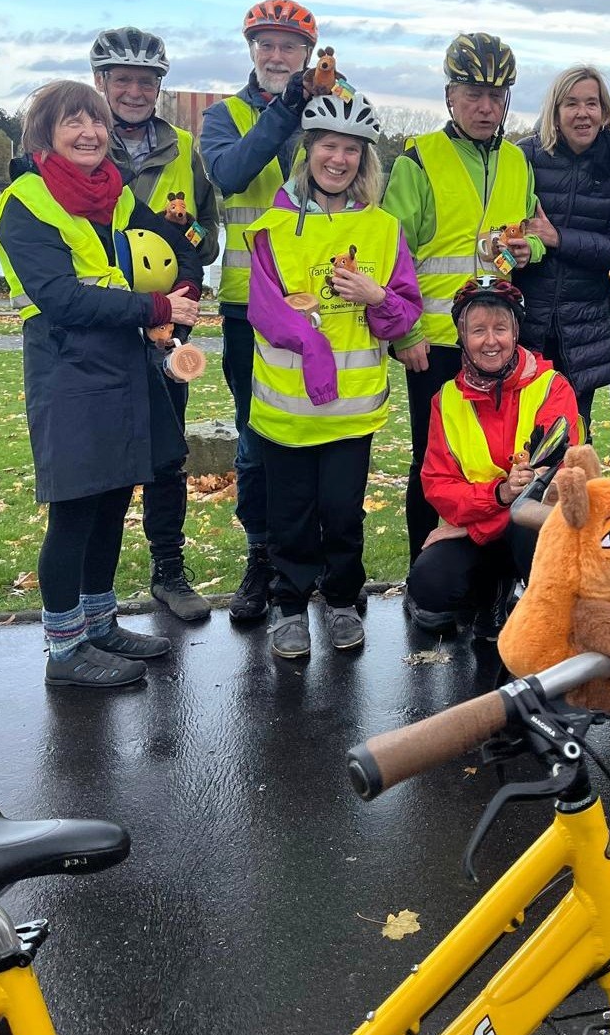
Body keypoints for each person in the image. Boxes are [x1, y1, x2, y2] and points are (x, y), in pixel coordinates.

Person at [0, 81, 202, 687]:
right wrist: (155, 309)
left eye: (97, 122)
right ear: (44, 133)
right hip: (68, 367)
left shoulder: (116, 193)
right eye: (73, 122)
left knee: (112, 497)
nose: (89, 133)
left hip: (126, 365)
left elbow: (175, 243)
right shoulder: (25, 202)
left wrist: (185, 281)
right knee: (75, 508)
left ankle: (99, 623)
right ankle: (64, 647)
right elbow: (59, 297)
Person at [243, 93, 423, 659]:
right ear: (309, 151)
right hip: (287, 408)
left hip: (351, 410)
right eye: (328, 146)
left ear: (364, 160)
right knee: (290, 517)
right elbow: (266, 311)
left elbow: (404, 312)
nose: (339, 159)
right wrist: (314, 349)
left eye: (351, 149)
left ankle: (343, 601)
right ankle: (292, 607)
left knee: (343, 513)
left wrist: (376, 296)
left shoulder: (383, 228)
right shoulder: (273, 226)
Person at [382, 33, 545, 570]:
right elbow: (392, 253)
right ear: (450, 95)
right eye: (473, 93)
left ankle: (490, 577)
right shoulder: (419, 160)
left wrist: (532, 245)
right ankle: (424, 574)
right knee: (434, 464)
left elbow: (537, 231)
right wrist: (404, 333)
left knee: (502, 464)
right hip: (436, 343)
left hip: (499, 343)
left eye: (497, 96)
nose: (485, 107)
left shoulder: (519, 162)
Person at [90, 25, 222, 622]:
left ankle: (169, 571)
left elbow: (206, 234)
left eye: (147, 82)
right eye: (124, 80)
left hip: (172, 320)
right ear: (102, 84)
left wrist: (183, 294)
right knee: (103, 455)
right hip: (102, 322)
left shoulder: (184, 149)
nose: (136, 91)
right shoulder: (83, 143)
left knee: (168, 449)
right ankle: (95, 594)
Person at [200, 0, 318, 623]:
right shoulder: (224, 116)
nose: (278, 56)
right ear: (251, 51)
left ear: (306, 54)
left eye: (290, 47)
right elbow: (230, 171)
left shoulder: (328, 106)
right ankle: (262, 555)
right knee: (255, 439)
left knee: (324, 432)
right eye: (266, 45)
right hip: (250, 308)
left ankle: (312, 558)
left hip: (325, 305)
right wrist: (288, 107)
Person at [405, 276, 580, 639]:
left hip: (523, 528)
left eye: (500, 328)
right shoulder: (446, 400)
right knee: (429, 581)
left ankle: (541, 608)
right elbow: (438, 486)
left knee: (530, 526)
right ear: (461, 338)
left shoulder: (552, 387)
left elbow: (557, 482)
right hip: (483, 519)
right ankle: (490, 595)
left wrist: (475, 526)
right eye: (478, 330)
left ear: (516, 332)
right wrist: (499, 494)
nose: (490, 341)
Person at [517, 65, 610, 433]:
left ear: (604, 112)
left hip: (582, 328)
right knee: (516, 437)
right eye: (571, 103)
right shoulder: (524, 156)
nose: (582, 113)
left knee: (569, 436)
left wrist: (558, 238)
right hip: (524, 320)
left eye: (592, 103)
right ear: (555, 110)